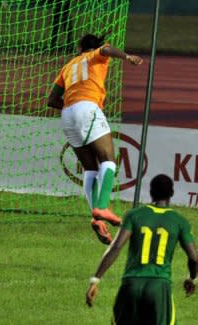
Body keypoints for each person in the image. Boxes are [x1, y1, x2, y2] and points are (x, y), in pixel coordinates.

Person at [47, 33, 143, 244]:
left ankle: (97, 218)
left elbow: (51, 99)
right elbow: (107, 50)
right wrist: (128, 57)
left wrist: (72, 107)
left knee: (90, 168)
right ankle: (102, 207)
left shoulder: (68, 66)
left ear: (80, 46)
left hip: (67, 113)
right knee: (108, 160)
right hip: (87, 107)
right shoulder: (95, 56)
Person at [85, 174, 198, 324]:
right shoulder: (179, 221)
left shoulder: (133, 215)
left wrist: (95, 279)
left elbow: (116, 247)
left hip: (131, 285)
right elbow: (194, 257)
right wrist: (192, 278)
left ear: (151, 192)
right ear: (171, 193)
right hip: (159, 287)